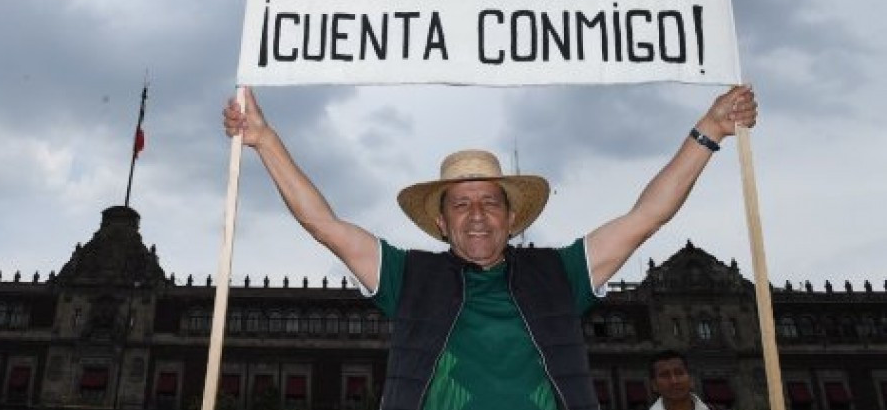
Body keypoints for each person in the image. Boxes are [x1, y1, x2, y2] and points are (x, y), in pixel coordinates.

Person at [222, 85, 757, 410]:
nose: (476, 215)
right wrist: (264, 140)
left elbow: (647, 216)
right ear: (440, 221)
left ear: (512, 217)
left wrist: (709, 130)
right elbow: (322, 223)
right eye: (461, 204)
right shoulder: (409, 278)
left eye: (489, 203)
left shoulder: (560, 273)